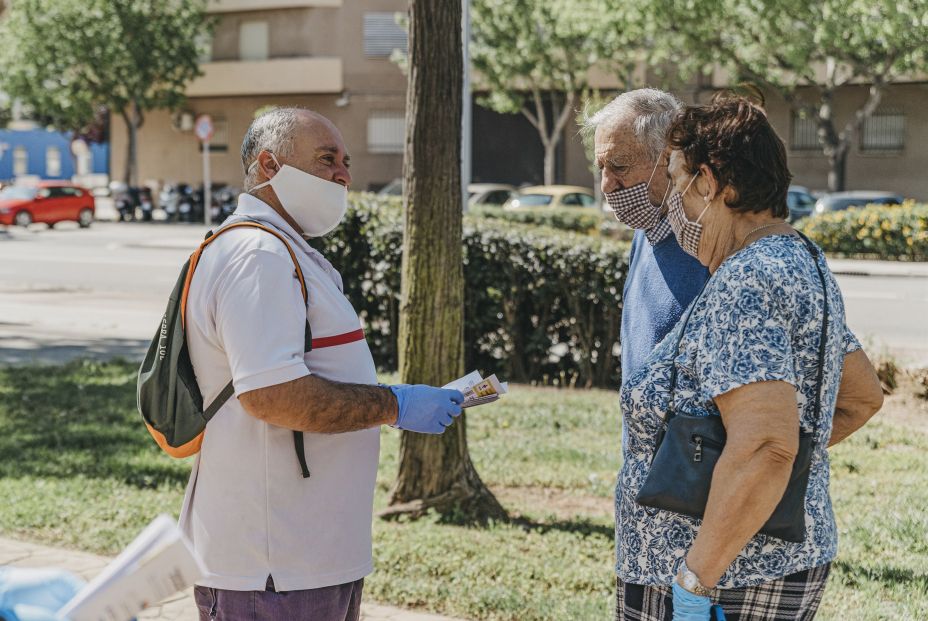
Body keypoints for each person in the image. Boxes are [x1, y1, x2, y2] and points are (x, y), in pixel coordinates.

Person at [180, 107, 464, 621]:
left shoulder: (281, 249)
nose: (344, 175)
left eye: (346, 162)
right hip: (273, 569)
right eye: (327, 159)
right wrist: (393, 404)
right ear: (269, 166)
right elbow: (271, 395)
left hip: (301, 561)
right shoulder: (258, 256)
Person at [615, 97, 884, 620]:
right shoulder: (798, 258)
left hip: (722, 580)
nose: (672, 201)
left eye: (677, 181)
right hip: (775, 565)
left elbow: (765, 446)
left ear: (712, 184)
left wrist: (695, 582)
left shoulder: (746, 281)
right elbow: (861, 396)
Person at [584, 88, 710, 386]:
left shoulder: (712, 245)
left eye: (619, 166)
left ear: (668, 158)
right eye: (601, 168)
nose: (606, 185)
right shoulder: (644, 234)